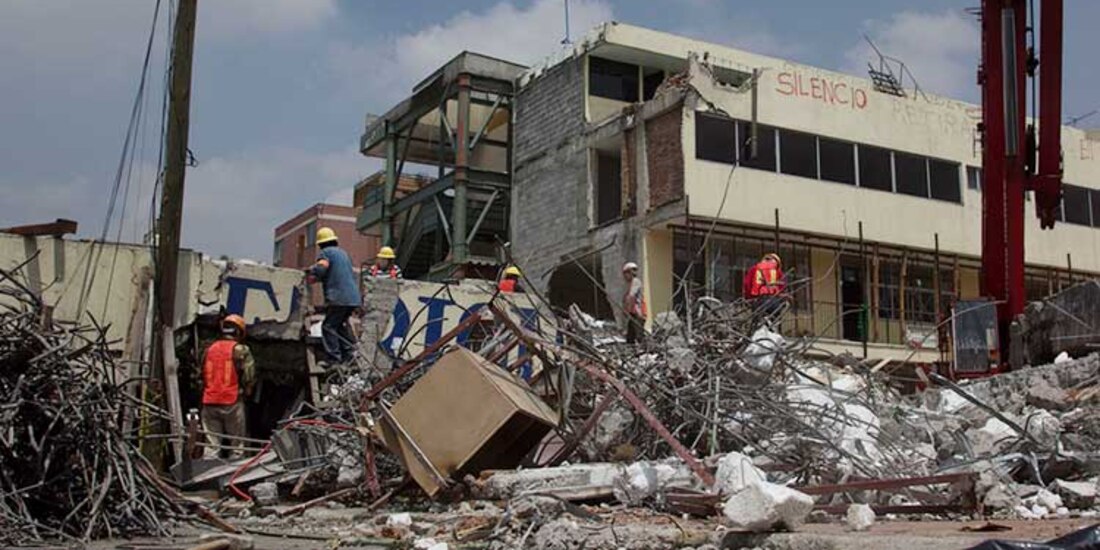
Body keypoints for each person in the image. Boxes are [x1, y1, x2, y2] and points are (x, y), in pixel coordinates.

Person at [200, 314, 255, 460]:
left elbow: (201, 373)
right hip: (232, 401)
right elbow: (249, 375)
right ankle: (236, 471)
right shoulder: (241, 350)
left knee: (211, 447)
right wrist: (247, 390)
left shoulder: (208, 349)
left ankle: (208, 469)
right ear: (239, 333)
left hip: (209, 401)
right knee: (237, 447)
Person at [307, 227, 362, 365]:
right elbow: (337, 273)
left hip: (338, 298)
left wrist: (311, 271)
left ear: (321, 244)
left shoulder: (326, 253)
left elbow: (322, 268)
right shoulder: (343, 254)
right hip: (352, 297)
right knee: (340, 325)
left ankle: (334, 359)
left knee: (328, 327)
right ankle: (349, 355)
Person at [742, 252, 787, 320]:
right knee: (773, 322)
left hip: (758, 300)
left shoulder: (754, 269)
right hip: (773, 300)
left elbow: (747, 284)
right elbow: (782, 287)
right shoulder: (777, 272)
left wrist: (749, 298)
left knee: (758, 322)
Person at [621, 262, 647, 344]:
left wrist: (626, 310)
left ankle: (643, 349)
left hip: (638, 313)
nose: (624, 277)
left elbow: (631, 296)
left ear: (630, 272)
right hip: (634, 313)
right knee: (630, 336)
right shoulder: (632, 283)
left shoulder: (636, 282)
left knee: (638, 336)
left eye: (625, 274)